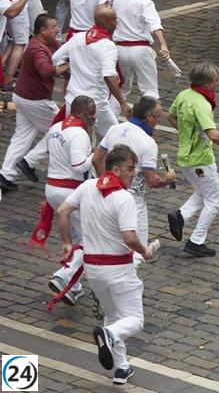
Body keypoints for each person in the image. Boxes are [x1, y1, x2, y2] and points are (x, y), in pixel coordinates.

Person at [55, 143, 154, 385]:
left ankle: (121, 368)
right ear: (117, 169)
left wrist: (68, 243)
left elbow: (62, 211)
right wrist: (145, 251)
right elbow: (129, 237)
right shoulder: (124, 198)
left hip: (93, 270)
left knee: (112, 316)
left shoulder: (87, 186)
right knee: (134, 320)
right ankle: (108, 336)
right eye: (130, 169)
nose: (134, 173)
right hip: (118, 270)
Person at [166, 62, 219, 258]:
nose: (218, 82)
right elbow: (213, 135)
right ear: (206, 82)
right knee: (215, 201)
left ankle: (180, 216)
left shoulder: (184, 95)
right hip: (200, 159)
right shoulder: (202, 103)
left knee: (202, 192)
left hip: (185, 156)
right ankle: (196, 241)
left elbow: (170, 116)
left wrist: (186, 133)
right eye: (215, 79)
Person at [94, 97, 176, 263]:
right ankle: (127, 285)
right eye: (157, 116)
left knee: (105, 242)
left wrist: (106, 179)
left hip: (106, 193)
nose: (158, 121)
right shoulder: (147, 143)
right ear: (149, 117)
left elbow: (96, 159)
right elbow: (152, 181)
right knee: (138, 251)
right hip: (133, 199)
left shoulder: (115, 129)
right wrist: (167, 179)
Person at [0, 15, 67, 195]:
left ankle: (5, 175)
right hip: (34, 100)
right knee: (61, 129)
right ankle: (29, 161)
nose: (56, 29)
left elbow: (64, 50)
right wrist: (65, 67)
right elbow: (46, 71)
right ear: (43, 30)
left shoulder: (49, 43)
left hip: (23, 97)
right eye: (53, 27)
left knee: (22, 136)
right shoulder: (37, 48)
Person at [44, 94, 96, 308]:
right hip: (70, 190)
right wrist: (97, 156)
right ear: (82, 112)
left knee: (76, 237)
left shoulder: (56, 128)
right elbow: (78, 166)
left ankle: (72, 289)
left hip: (52, 188)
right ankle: (64, 275)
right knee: (89, 238)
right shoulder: (79, 134)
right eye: (91, 113)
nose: (94, 117)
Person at [51, 5, 130, 137]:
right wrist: (122, 103)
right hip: (95, 104)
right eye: (114, 20)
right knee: (116, 138)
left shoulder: (78, 37)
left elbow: (56, 58)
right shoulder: (107, 45)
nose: (116, 23)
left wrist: (69, 75)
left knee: (74, 138)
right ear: (105, 22)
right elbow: (109, 76)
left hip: (73, 101)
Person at [112, 0, 169, 101]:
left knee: (121, 89)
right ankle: (148, 118)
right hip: (140, 51)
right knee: (149, 90)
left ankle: (111, 118)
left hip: (120, 50)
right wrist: (163, 44)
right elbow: (155, 25)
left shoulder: (117, 2)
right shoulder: (145, 2)